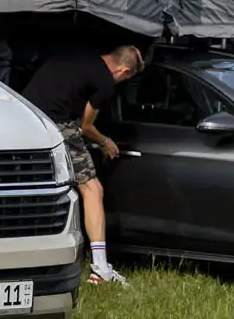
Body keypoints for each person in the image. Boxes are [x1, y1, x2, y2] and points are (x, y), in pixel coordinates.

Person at [21, 43, 145, 284]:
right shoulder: (106, 82)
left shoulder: (79, 55)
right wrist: (106, 141)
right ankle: (100, 268)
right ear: (123, 72)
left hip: (26, 116)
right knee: (92, 189)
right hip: (56, 123)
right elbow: (86, 127)